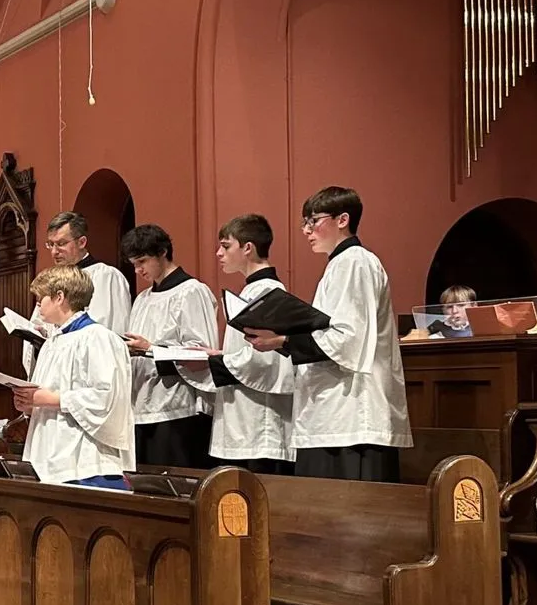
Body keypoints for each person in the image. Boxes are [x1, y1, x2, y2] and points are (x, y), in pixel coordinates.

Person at [245, 187, 412, 482]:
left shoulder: (355, 262)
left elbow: (348, 339)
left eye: (314, 221)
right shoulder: (339, 265)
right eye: (304, 223)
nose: (307, 230)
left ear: (342, 219)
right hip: (334, 411)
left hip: (353, 411)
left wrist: (282, 340)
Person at [12, 265, 135, 489]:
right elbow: (45, 392)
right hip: (49, 453)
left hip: (86, 460)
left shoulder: (99, 338)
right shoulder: (52, 343)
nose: (37, 305)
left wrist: (49, 399)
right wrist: (29, 403)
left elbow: (106, 398)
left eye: (41, 298)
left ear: (60, 297)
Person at [194, 215, 294, 474]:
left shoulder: (267, 293)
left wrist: (213, 362)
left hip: (260, 421)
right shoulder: (251, 291)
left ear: (247, 248)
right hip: (242, 415)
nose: (218, 253)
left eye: (226, 246)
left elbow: (265, 359)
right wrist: (217, 354)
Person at [119, 224, 218, 469]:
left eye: (142, 261)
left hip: (178, 408)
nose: (138, 270)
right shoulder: (142, 299)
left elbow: (202, 351)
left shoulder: (192, 291)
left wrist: (152, 348)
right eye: (134, 263)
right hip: (141, 403)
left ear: (162, 252)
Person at [26, 212, 134, 373]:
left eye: (61, 243)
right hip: (56, 369)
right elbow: (40, 322)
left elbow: (113, 331)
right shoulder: (51, 281)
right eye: (50, 244)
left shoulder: (107, 277)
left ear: (82, 242)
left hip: (86, 371)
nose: (54, 251)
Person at [405, 285, 478, 341]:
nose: (454, 311)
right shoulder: (437, 327)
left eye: (461, 305)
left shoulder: (481, 326)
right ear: (443, 310)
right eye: (449, 307)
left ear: (474, 306)